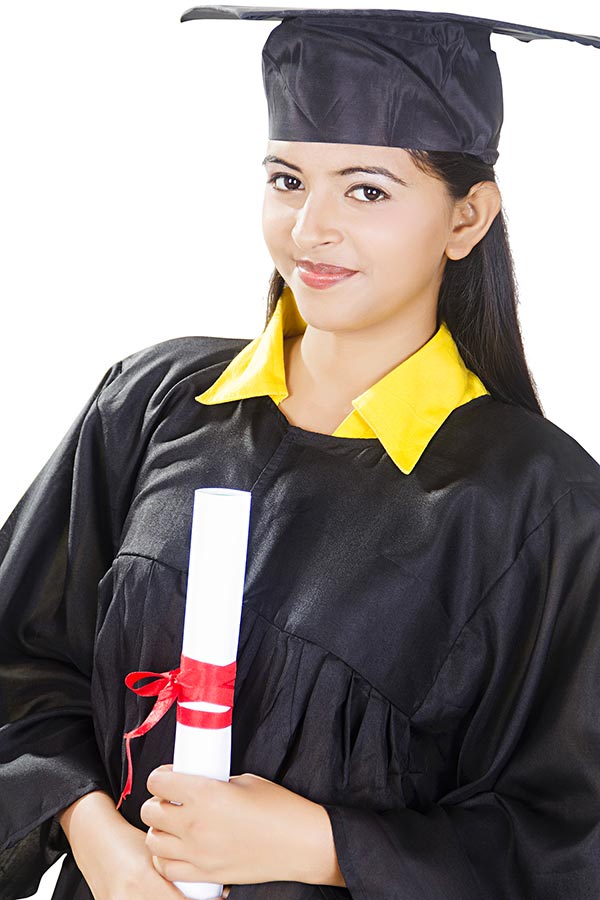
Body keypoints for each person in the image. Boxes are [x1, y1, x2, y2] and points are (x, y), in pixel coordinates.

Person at [1, 5, 600, 900]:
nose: (310, 227)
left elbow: (570, 839)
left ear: (467, 217)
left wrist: (324, 845)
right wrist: (101, 839)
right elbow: (20, 658)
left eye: (367, 191)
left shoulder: (537, 505)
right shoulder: (155, 403)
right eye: (287, 179)